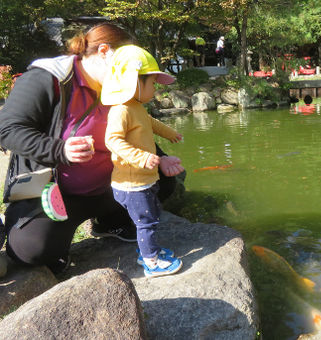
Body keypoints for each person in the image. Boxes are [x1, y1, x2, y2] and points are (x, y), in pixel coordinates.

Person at [0, 23, 184, 274]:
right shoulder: (48, 78)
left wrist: (160, 159)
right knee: (32, 248)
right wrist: (60, 150)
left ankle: (109, 222)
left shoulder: (119, 87)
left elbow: (137, 129)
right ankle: (61, 232)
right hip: (59, 193)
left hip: (112, 185)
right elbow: (7, 129)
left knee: (164, 181)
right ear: (105, 51)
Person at [101, 45, 184, 277]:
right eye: (152, 82)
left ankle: (148, 252)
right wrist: (142, 157)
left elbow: (151, 124)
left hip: (143, 180)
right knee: (146, 223)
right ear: (134, 82)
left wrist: (170, 133)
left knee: (151, 217)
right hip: (132, 183)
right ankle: (151, 263)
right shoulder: (121, 111)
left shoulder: (135, 107)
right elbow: (113, 140)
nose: (156, 88)